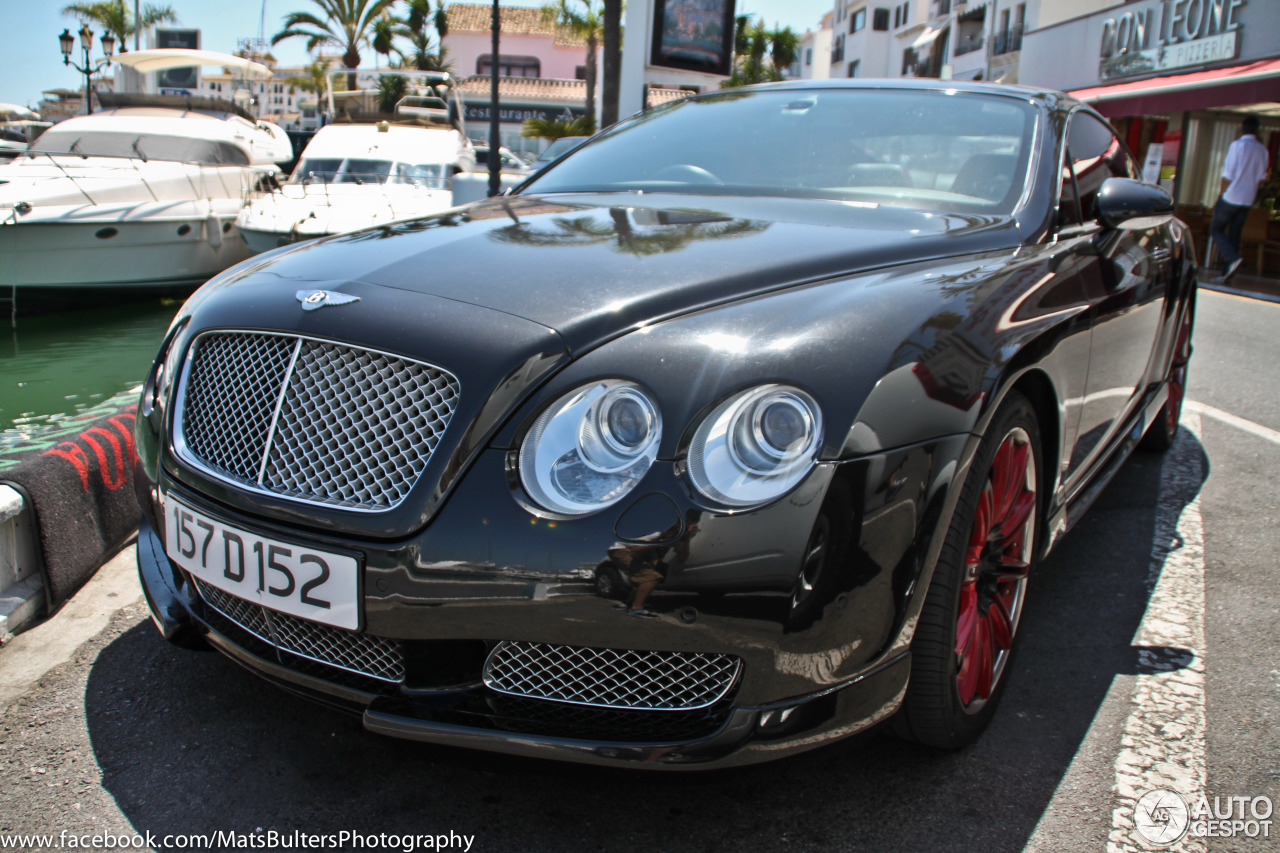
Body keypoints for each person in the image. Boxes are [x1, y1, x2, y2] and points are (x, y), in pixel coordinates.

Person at [1209, 115, 1270, 281]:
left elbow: (1228, 174)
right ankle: (1227, 273)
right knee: (1235, 233)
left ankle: (1232, 259)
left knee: (1216, 229)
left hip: (1231, 196)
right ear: (1257, 130)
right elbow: (1262, 180)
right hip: (1248, 198)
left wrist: (1220, 196)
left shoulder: (1237, 146)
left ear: (1242, 128)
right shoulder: (1263, 150)